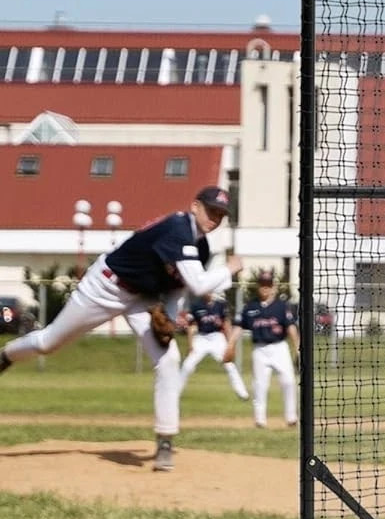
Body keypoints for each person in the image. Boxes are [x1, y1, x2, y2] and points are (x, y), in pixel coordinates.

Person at [0, 186, 243, 470]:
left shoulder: (200, 247)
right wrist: (230, 268)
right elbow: (201, 285)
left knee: (169, 360)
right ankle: (6, 355)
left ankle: (165, 440)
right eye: (211, 210)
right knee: (48, 343)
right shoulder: (178, 228)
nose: (215, 218)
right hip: (105, 286)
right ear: (195, 206)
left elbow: (179, 288)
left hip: (143, 300)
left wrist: (170, 315)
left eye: (221, 214)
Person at [239, 269, 298, 428]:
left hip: (279, 347)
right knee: (260, 385)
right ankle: (260, 420)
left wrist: (297, 348)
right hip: (260, 349)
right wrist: (230, 344)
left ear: (273, 287)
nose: (266, 287)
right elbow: (238, 326)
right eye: (263, 284)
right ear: (259, 286)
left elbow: (291, 328)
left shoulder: (281, 306)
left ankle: (291, 418)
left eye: (268, 285)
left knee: (289, 381)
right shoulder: (250, 307)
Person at [178, 294, 251, 403]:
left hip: (217, 337)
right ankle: (175, 392)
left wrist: (230, 344)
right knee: (187, 365)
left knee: (229, 365)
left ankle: (242, 393)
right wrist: (190, 344)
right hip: (201, 337)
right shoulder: (196, 305)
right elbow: (192, 327)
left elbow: (226, 324)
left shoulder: (220, 305)